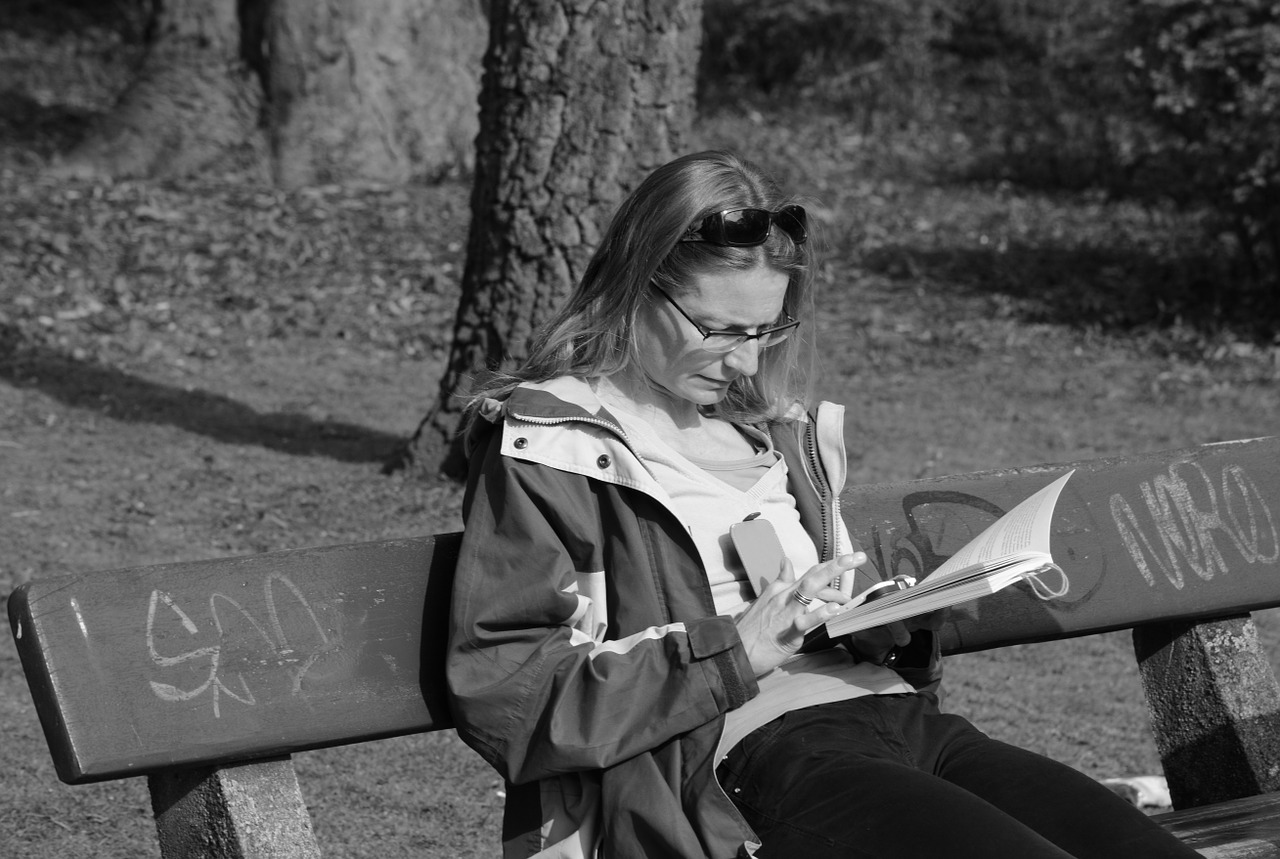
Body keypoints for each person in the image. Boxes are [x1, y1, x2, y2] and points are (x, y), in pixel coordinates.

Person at [445, 150, 1199, 859]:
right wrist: (733, 651)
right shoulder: (550, 444)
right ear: (636, 282)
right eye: (717, 330)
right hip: (746, 760)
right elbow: (508, 694)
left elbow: (812, 610)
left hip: (902, 720)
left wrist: (882, 621)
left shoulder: (770, 434)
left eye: (765, 331)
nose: (743, 360)